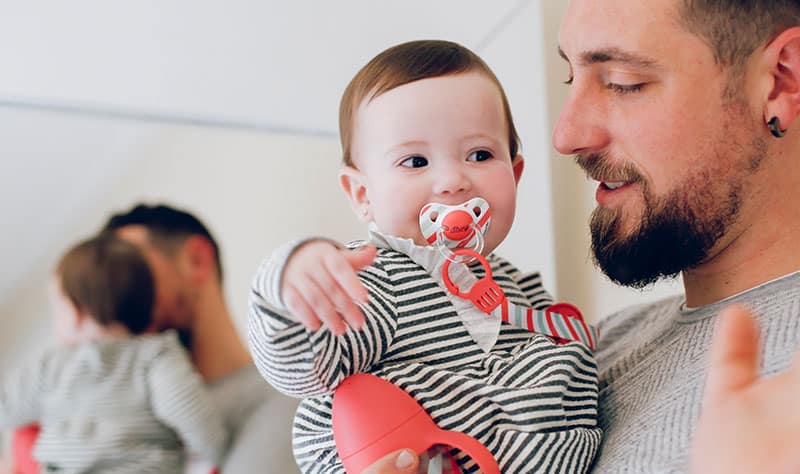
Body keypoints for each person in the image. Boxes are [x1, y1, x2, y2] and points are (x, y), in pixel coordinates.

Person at [364, 0, 800, 472]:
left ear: (780, 81)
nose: (565, 135)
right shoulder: (570, 353)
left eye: (621, 83)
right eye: (572, 79)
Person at [248, 40, 602, 473]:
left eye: (480, 154)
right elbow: (306, 369)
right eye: (415, 161)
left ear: (514, 173)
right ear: (362, 195)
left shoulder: (515, 285)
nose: (452, 181)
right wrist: (291, 285)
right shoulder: (374, 277)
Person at [0, 234, 228, 472]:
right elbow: (193, 416)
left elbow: (5, 408)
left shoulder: (53, 366)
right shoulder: (156, 356)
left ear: (74, 313)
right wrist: (212, 451)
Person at [103, 204, 300, 473]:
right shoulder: (120, 425)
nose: (115, 302)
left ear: (196, 260)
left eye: (130, 273)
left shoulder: (293, 397)